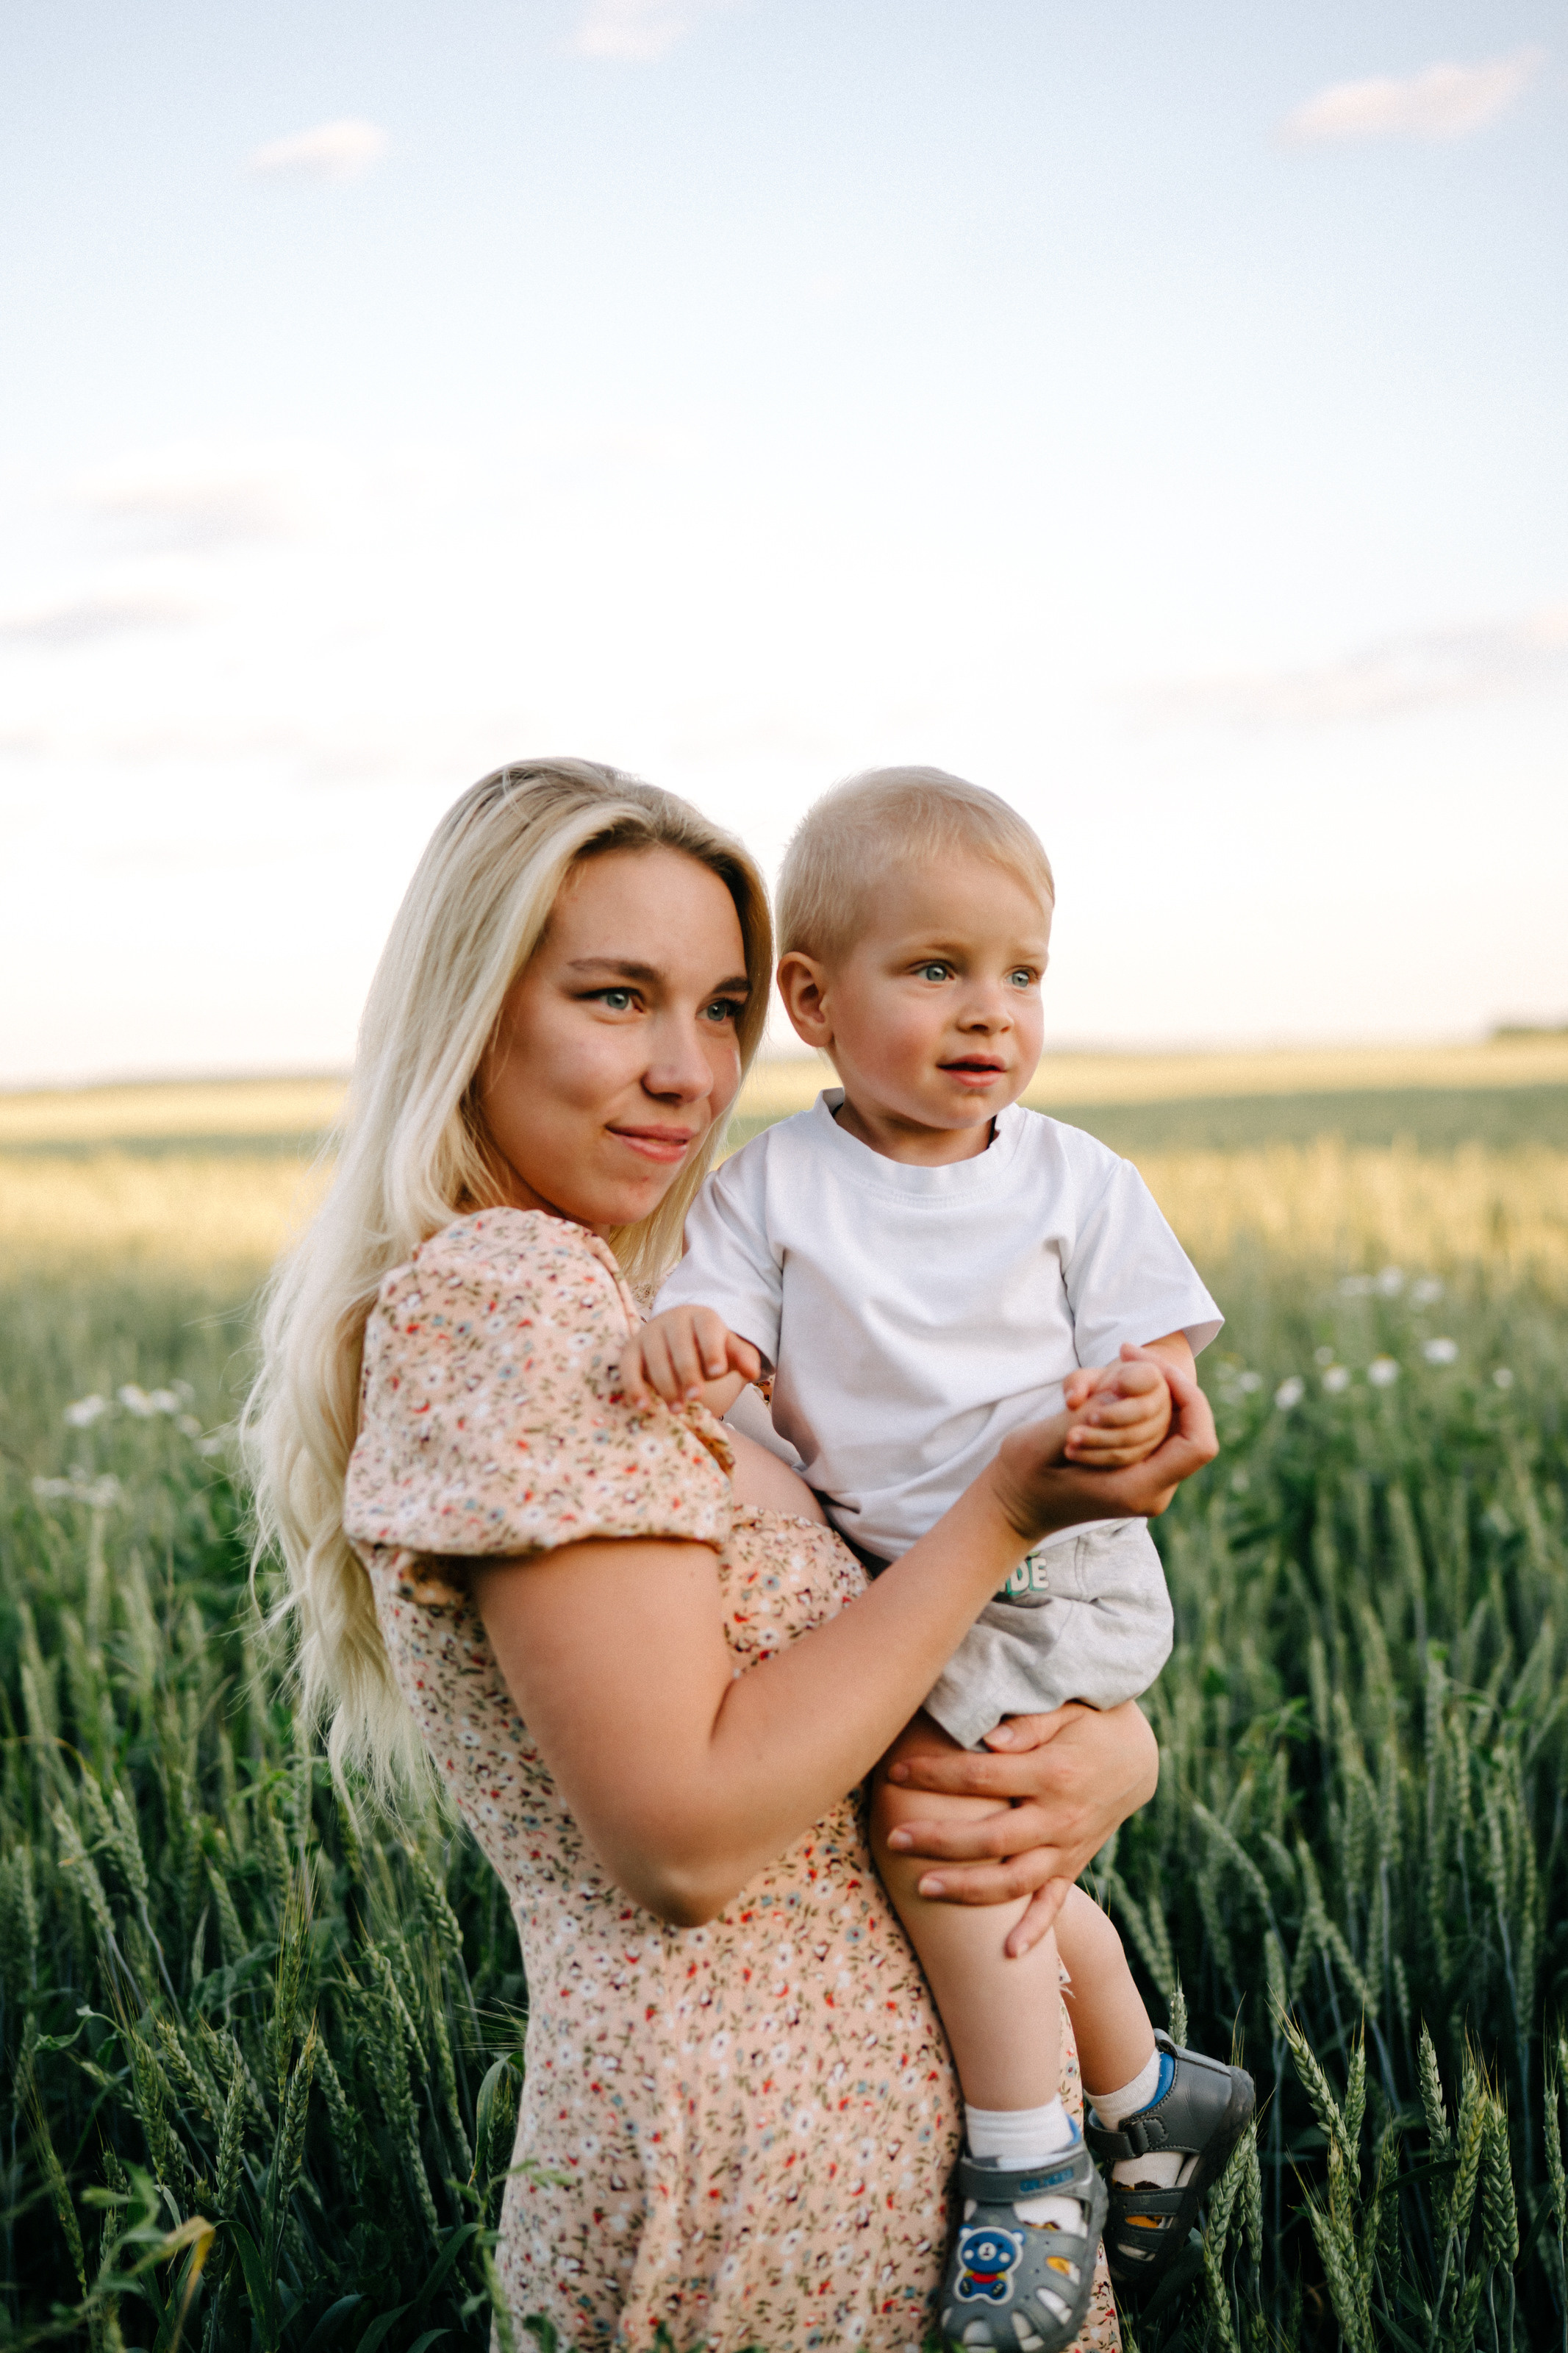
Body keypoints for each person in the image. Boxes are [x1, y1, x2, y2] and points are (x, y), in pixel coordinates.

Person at [247, 757, 1218, 2353]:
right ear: (473, 1007)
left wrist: (1099, 1747)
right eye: (616, 997)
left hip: (893, 2166)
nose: (685, 1072)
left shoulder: (641, 1312)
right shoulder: (513, 1300)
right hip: (751, 2183)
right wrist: (998, 1516)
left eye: (714, 1011)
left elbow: (852, 1680)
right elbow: (686, 1839)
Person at [630, 768, 1253, 2344]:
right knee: (992, 1851)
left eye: (1020, 973)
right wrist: (693, 1336)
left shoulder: (1068, 1177)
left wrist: (1138, 1394)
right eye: (935, 971)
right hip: (904, 1580)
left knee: (927, 1825)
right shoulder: (772, 1183)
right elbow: (713, 1315)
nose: (989, 1013)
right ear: (812, 998)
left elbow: (1161, 1342)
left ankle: (1027, 2167)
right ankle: (1142, 2081)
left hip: (1048, 1563)